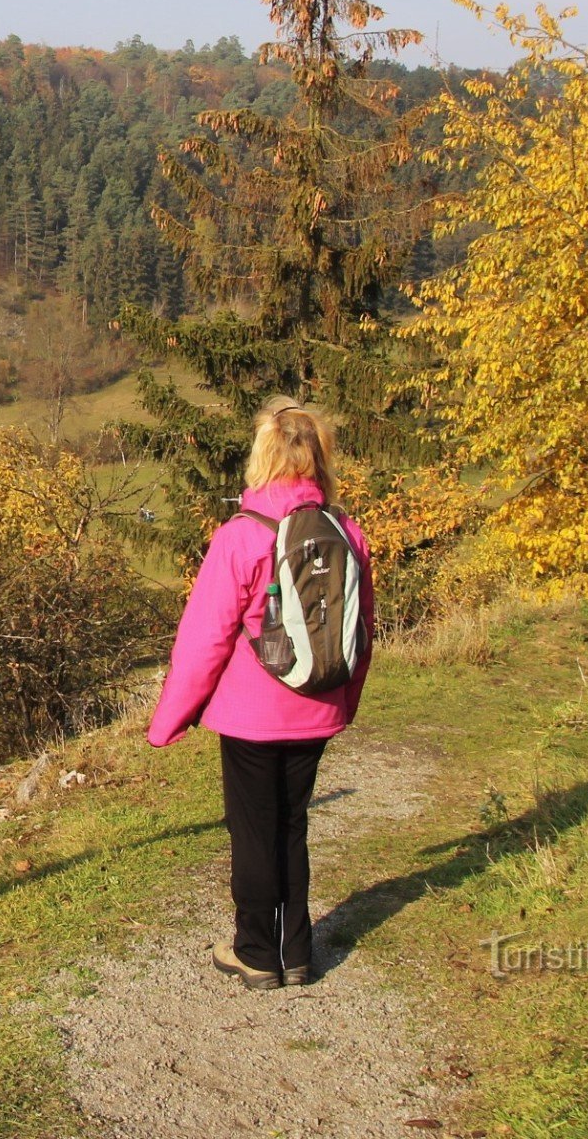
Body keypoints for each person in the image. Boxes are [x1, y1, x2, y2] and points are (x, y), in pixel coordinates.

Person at [145, 397, 374, 989]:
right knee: (291, 825)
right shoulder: (348, 532)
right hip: (318, 704)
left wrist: (168, 721)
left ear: (262, 457)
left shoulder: (240, 538)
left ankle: (255, 951)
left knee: (252, 830)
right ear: (321, 458)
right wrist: (342, 703)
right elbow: (361, 632)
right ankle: (296, 950)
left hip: (251, 715)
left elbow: (204, 641)